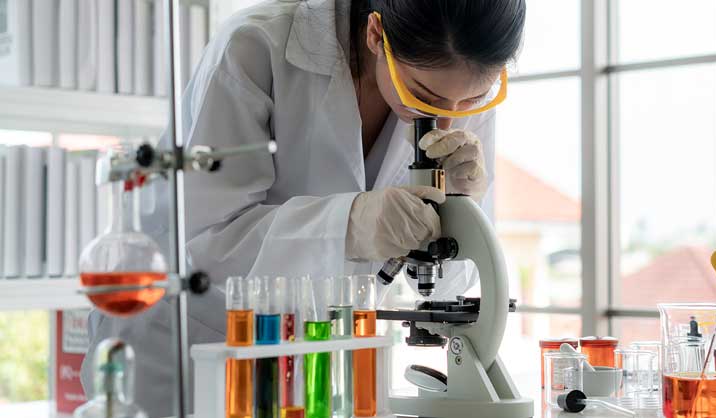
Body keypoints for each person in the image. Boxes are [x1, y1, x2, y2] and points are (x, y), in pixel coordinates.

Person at [82, 0, 526, 415]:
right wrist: (349, 225)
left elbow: (446, 289)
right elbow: (204, 243)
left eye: (470, 101)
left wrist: (461, 212)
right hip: (192, 351)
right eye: (423, 93)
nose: (447, 119)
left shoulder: (460, 86)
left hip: (321, 359)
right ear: (376, 36)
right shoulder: (256, 47)